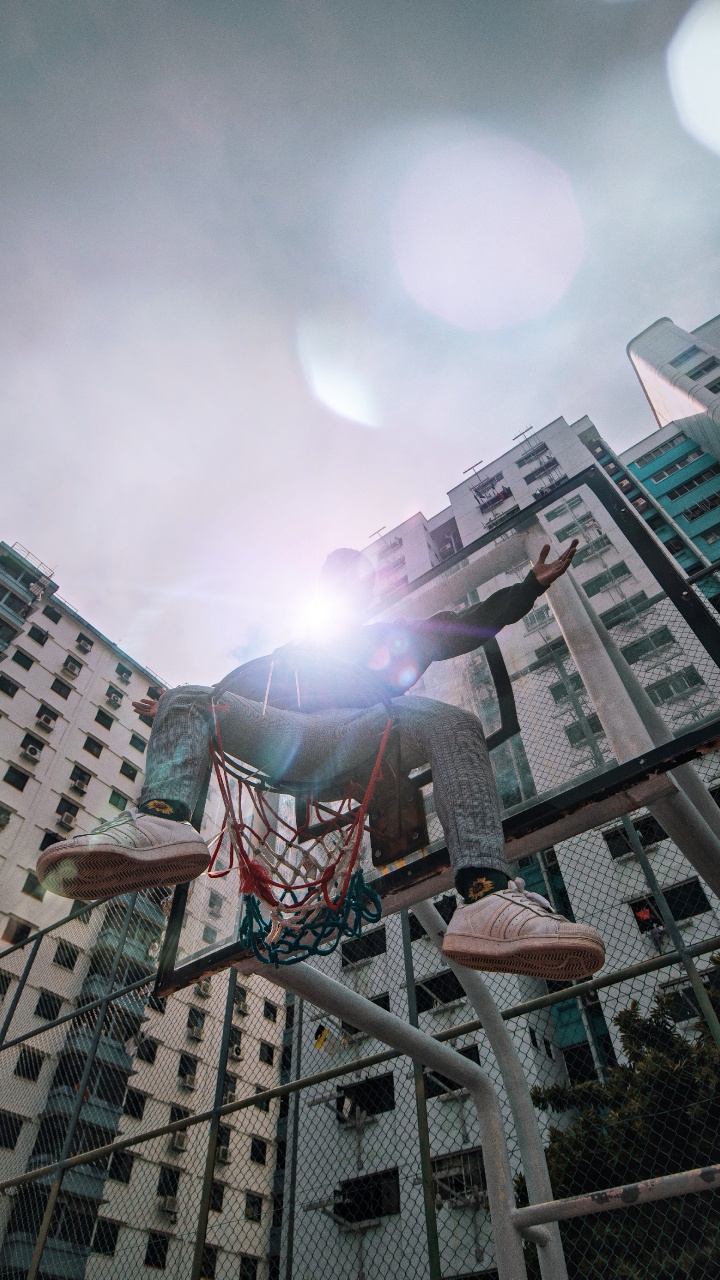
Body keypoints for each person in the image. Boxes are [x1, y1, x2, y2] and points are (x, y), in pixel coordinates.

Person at [37, 542, 604, 980]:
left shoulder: (390, 637)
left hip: (364, 731)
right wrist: (172, 707)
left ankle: (485, 896)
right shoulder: (292, 654)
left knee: (453, 722)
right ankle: (163, 820)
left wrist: (527, 588)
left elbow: (461, 629)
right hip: (289, 739)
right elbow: (222, 695)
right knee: (190, 695)